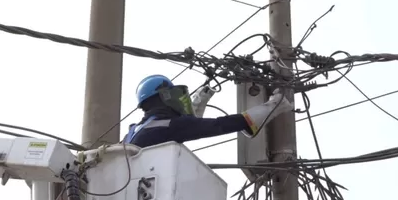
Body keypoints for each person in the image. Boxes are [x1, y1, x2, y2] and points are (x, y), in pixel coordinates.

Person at [123, 74, 293, 148]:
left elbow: (190, 125)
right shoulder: (170, 126)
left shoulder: (132, 133)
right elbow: (218, 125)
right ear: (164, 97)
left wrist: (201, 99)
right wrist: (274, 106)